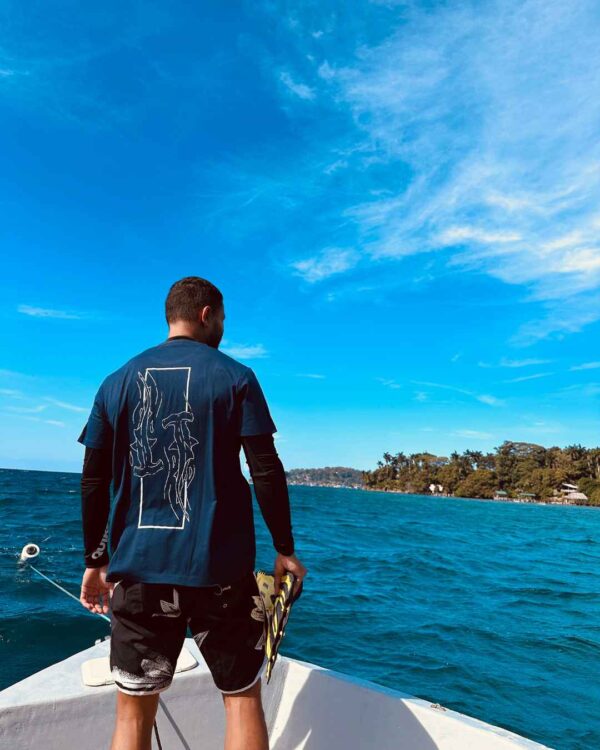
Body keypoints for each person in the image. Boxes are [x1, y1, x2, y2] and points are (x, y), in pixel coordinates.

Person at [77, 276, 307, 750]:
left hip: (139, 573)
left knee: (132, 717)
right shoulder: (236, 377)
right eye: (222, 319)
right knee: (241, 699)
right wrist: (284, 549)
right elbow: (265, 467)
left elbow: (94, 481)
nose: (222, 328)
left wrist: (95, 560)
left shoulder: (114, 382)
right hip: (220, 572)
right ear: (207, 315)